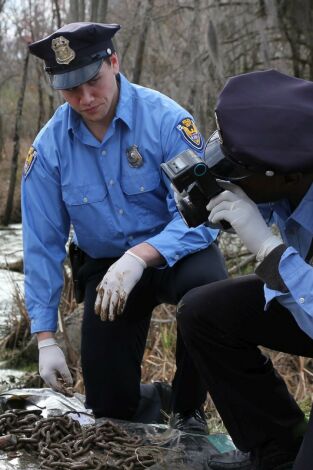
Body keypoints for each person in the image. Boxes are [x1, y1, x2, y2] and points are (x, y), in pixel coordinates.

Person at [22, 22, 228, 432]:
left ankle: (188, 411)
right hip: (106, 271)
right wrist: (45, 338)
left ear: (113, 62)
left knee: (208, 294)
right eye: (70, 89)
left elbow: (204, 215)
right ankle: (155, 399)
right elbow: (42, 244)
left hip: (177, 254)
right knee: (110, 410)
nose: (85, 99)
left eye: (93, 82)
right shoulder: (48, 151)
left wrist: (141, 256)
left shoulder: (168, 121)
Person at [176, 69, 313, 469]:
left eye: (239, 172)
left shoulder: (290, 169)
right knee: (203, 312)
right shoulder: (295, 164)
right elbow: (269, 196)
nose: (230, 177)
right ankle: (276, 444)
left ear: (289, 174)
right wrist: (211, 198)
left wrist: (267, 248)